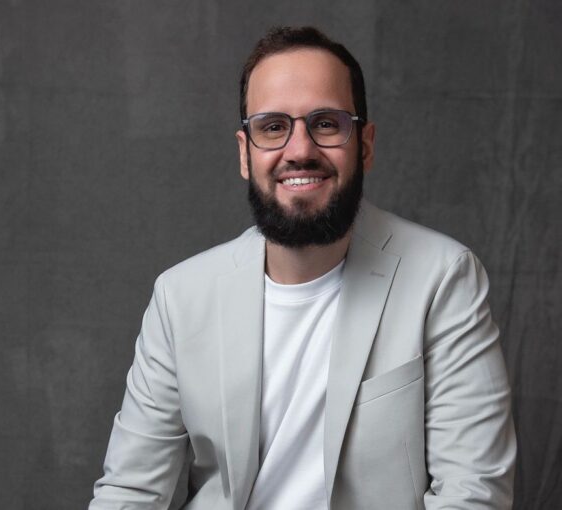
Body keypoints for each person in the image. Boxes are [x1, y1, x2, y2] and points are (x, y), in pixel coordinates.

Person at [89, 26, 516, 510]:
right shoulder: (180, 297)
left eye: (326, 123)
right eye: (273, 127)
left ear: (365, 145)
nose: (299, 150)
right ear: (245, 153)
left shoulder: (443, 279)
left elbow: (473, 493)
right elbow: (130, 492)